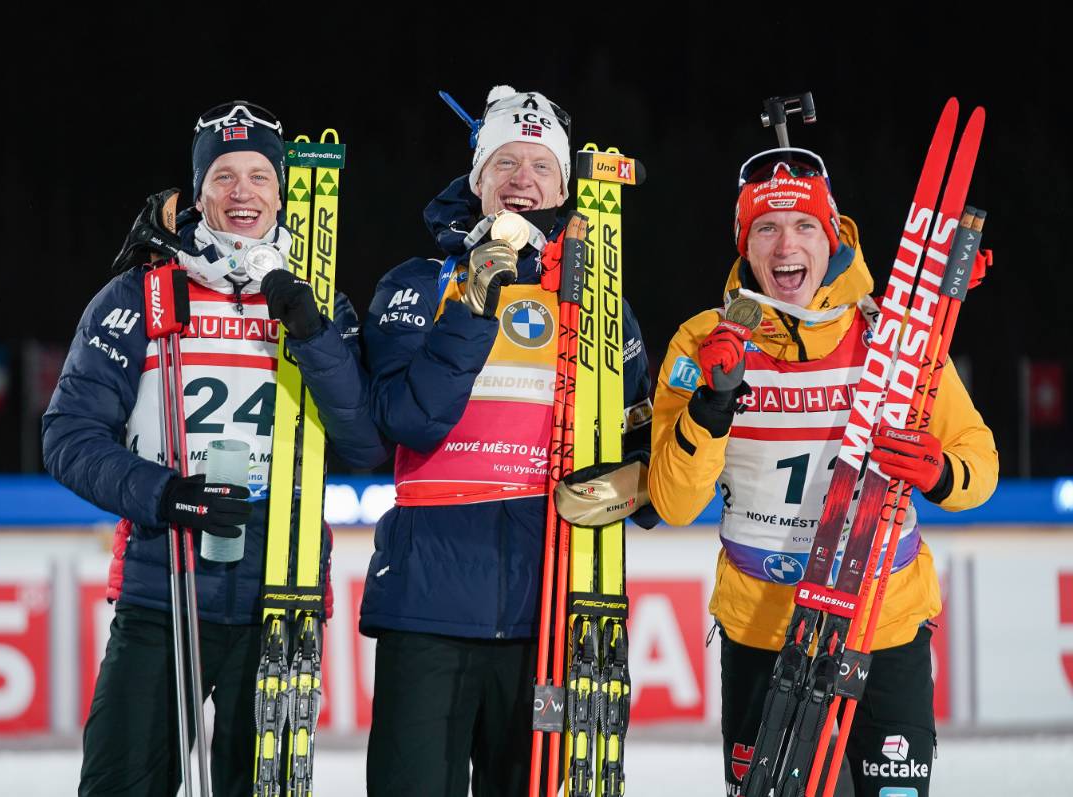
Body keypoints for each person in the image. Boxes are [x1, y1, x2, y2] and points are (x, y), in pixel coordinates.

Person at [42, 100, 385, 797]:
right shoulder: (140, 295)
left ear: (282, 193)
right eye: (223, 176)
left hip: (280, 596)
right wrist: (165, 493)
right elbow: (68, 435)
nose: (241, 192)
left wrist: (313, 335)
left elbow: (364, 441)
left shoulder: (319, 300)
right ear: (198, 193)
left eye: (259, 175)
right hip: (163, 587)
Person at [647, 146, 998, 797]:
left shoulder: (892, 333)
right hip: (762, 631)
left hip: (883, 624)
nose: (787, 245)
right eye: (766, 228)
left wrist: (940, 471)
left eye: (804, 225)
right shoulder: (705, 340)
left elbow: (979, 463)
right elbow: (672, 501)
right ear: (744, 243)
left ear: (831, 234)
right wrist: (711, 406)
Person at [358, 85, 657, 797]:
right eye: (506, 162)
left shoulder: (602, 306)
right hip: (427, 607)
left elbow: (647, 474)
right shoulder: (416, 285)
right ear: (477, 179)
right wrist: (474, 305)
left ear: (563, 186)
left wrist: (637, 480)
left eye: (541, 165)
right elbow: (405, 420)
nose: (523, 179)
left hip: (550, 613)